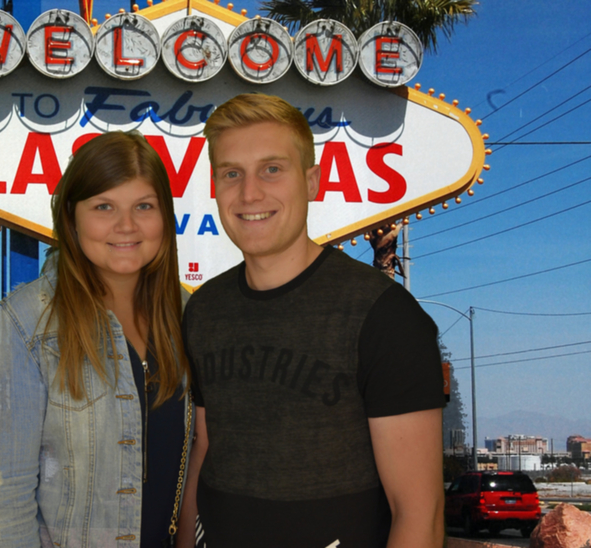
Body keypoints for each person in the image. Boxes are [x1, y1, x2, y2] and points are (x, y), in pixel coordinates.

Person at [177, 94, 445, 548]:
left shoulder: (384, 314)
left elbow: (420, 514)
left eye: (272, 169)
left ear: (312, 181)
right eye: (231, 173)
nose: (249, 193)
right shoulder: (204, 310)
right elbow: (204, 447)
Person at [0, 131, 193, 548]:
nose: (126, 225)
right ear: (71, 216)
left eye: (144, 206)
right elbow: (3, 506)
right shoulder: (18, 328)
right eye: (103, 206)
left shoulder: (187, 316)